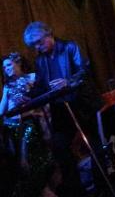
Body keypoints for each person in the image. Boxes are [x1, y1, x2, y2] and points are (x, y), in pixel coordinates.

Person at [23, 22, 101, 195]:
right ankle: (77, 191)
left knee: (95, 144)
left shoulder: (69, 47)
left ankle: (101, 187)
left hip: (82, 103)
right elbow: (41, 86)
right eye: (34, 45)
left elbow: (84, 71)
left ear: (49, 34)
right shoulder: (40, 60)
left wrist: (68, 81)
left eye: (39, 42)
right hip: (61, 108)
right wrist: (28, 96)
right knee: (60, 146)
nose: (37, 47)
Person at [1, 52, 56, 197]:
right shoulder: (7, 86)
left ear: (18, 63)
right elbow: (2, 110)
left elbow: (45, 97)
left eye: (8, 65)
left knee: (45, 159)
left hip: (37, 122)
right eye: (4, 67)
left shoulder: (33, 77)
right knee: (27, 163)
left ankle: (49, 188)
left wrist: (29, 95)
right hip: (16, 126)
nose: (6, 69)